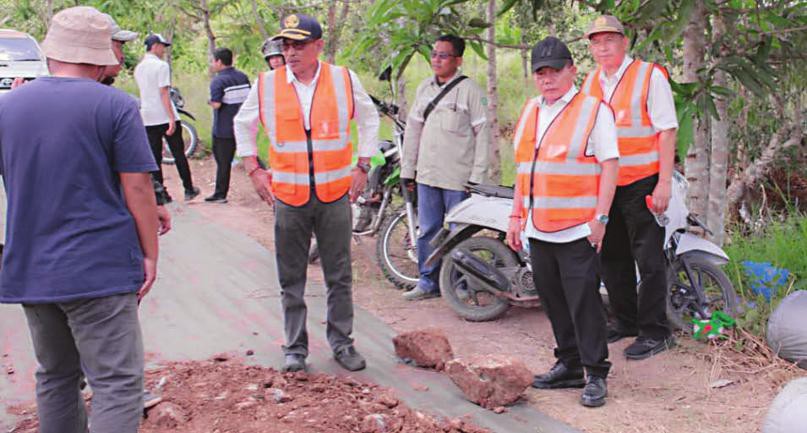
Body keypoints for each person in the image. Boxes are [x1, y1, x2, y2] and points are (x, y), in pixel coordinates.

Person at [0, 6, 159, 432]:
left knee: (56, 375)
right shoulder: (116, 105)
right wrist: (150, 254)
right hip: (98, 269)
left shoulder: (8, 107)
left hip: (32, 269)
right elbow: (137, 187)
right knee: (117, 383)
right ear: (99, 53)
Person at [234, 14, 380, 373]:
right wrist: (253, 169)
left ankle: (342, 343)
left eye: (299, 45)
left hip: (334, 195)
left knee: (339, 275)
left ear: (318, 46)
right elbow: (242, 124)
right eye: (286, 45)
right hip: (289, 197)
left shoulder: (343, 79)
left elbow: (369, 119)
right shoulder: (267, 84)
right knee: (291, 277)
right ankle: (295, 348)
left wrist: (363, 165)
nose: (291, 52)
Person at [506, 36, 619, 408]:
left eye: (554, 71)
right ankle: (569, 364)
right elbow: (524, 169)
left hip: (577, 229)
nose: (547, 78)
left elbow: (610, 165)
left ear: (572, 70)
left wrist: (601, 218)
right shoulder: (530, 110)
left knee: (584, 303)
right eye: (541, 72)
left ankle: (595, 372)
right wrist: (516, 216)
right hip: (538, 228)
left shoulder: (593, 110)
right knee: (552, 301)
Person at [581, 15, 679, 360]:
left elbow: (667, 130)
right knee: (612, 257)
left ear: (624, 42)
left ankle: (656, 332)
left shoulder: (649, 76)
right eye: (596, 42)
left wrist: (664, 182)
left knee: (649, 259)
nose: (603, 47)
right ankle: (626, 321)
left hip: (643, 183)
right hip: (607, 186)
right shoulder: (591, 82)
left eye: (610, 40)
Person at [400, 34, 490, 301]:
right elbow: (413, 131)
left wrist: (477, 178)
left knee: (458, 233)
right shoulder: (424, 89)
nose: (436, 60)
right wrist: (408, 170)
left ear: (458, 60)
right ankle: (427, 282)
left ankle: (459, 284)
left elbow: (483, 135)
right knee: (428, 230)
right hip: (427, 175)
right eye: (434, 54)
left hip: (458, 179)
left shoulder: (471, 91)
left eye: (443, 55)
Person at [134, 33, 200, 202]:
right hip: (163, 115)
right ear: (155, 46)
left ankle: (160, 193)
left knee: (154, 156)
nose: (163, 50)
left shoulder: (139, 68)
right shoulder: (161, 66)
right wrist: (171, 118)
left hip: (147, 117)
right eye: (162, 46)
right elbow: (164, 92)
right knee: (178, 154)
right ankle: (189, 189)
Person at [206, 48, 250, 203]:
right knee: (251, 157)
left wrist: (209, 101)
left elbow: (217, 104)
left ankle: (220, 194)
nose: (212, 64)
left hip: (224, 128)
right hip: (244, 125)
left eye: (213, 61)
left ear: (219, 62)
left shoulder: (218, 81)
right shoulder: (243, 77)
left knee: (223, 162)